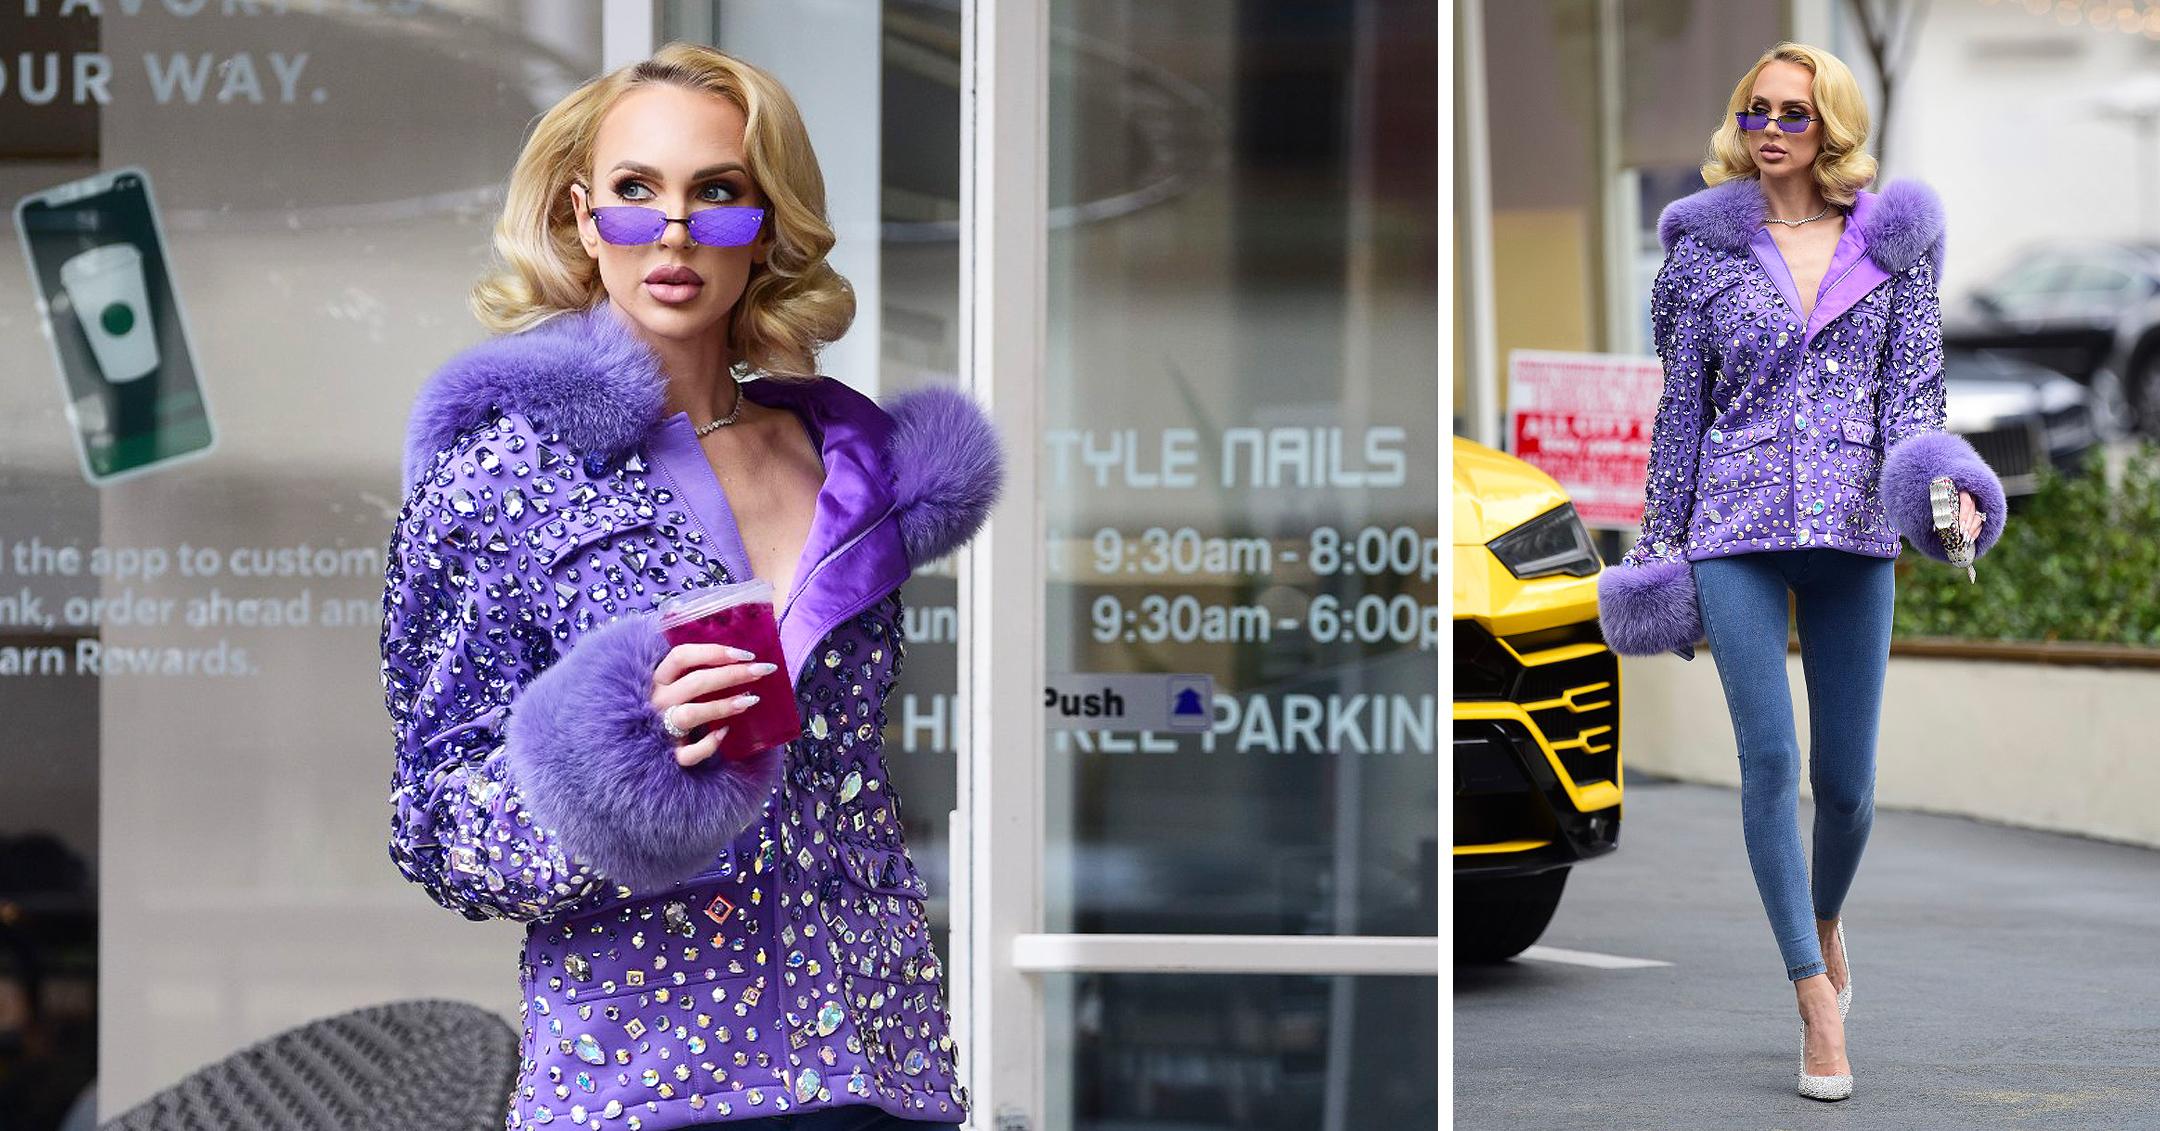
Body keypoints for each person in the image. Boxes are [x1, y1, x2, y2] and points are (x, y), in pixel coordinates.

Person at [379, 43, 1003, 1129]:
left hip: (873, 1058)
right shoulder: (502, 476)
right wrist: (617, 764)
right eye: (634, 194)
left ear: (765, 225)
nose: (671, 233)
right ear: (583, 217)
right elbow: (434, 822)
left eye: (716, 195)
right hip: (640, 1074)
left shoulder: (845, 467)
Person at [1595, 42, 2004, 1102]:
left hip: (1858, 535)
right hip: (1733, 529)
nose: (1772, 131)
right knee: (1771, 769)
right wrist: (1658, 548)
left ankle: (1823, 918)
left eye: (1795, 115)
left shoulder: (1895, 247)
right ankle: (1815, 999)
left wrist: (1946, 488)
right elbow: (1682, 412)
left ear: (1831, 129)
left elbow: (1913, 404)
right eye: (1758, 112)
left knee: (1850, 792)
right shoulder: (1698, 255)